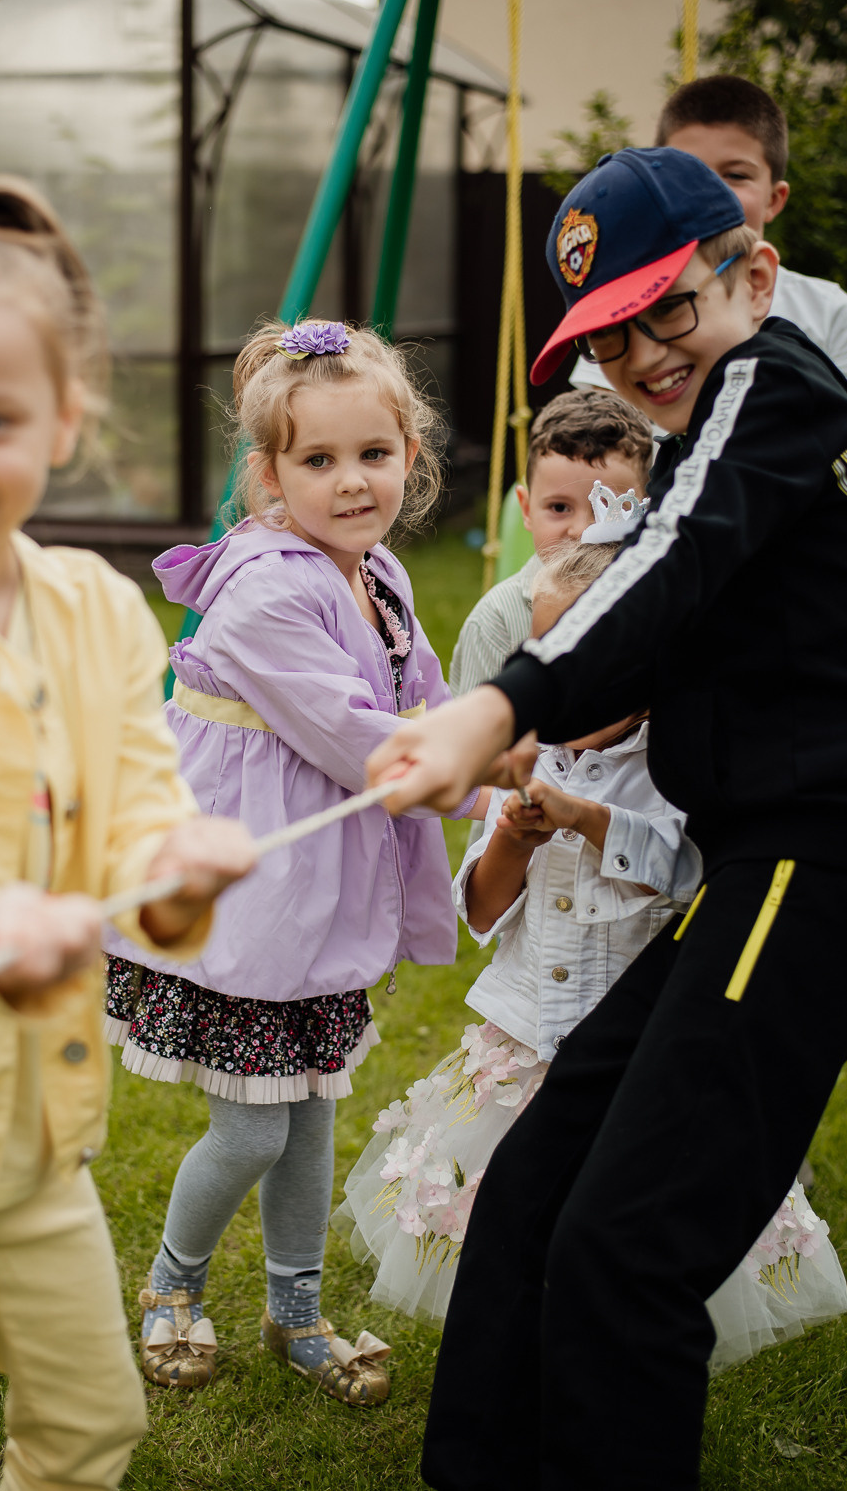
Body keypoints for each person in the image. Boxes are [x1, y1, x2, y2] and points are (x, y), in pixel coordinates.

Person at [365, 146, 847, 1488]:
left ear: (751, 272)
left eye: (664, 311)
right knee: (529, 1196)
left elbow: (676, 568)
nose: (638, 351)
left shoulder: (775, 385)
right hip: (739, 874)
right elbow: (643, 589)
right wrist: (505, 721)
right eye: (606, 334)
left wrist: (498, 703)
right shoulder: (708, 438)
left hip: (809, 871)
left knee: (626, 1245)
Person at [0, 173, 257, 1491]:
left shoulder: (96, 607)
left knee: (91, 1428)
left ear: (67, 416)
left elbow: (142, 798)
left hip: (35, 1139)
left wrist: (173, 871)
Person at [341, 540, 844, 1364]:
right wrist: (512, 835)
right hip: (528, 1037)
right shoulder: (524, 759)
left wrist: (587, 819)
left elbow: (690, 872)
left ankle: (596, 1351)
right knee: (511, 1210)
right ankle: (515, 1348)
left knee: (622, 1216)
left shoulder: (683, 766)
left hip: (634, 1050)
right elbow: (479, 904)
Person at [104, 318, 479, 1407]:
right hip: (245, 896)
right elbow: (359, 736)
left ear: (410, 457)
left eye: (371, 454)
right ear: (268, 477)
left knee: (311, 1105)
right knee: (255, 1122)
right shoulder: (272, 589)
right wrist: (460, 767)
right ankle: (171, 1288)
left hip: (313, 898)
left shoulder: (377, 572)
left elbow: (426, 702)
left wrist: (495, 754)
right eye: (316, 461)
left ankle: (296, 1308)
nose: (349, 482)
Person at [572, 74, 847, 392]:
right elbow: (600, 422)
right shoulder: (625, 302)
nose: (709, 191)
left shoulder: (829, 313)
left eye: (735, 175)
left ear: (774, 199)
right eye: (688, 172)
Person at [448, 389, 653, 699]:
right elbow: (476, 736)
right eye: (559, 508)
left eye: (607, 508)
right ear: (527, 509)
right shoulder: (498, 621)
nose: (583, 531)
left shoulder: (658, 600)